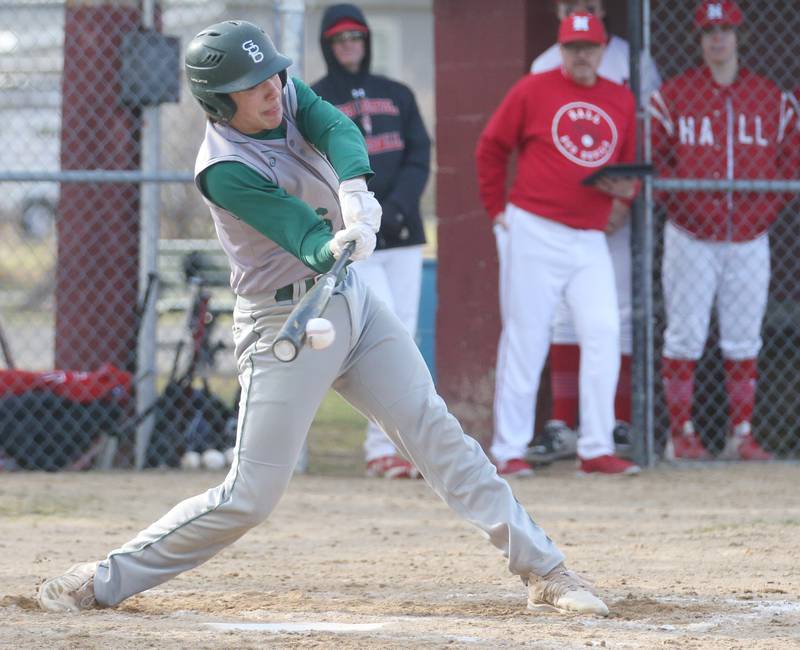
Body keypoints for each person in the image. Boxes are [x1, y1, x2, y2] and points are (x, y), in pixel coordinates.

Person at [36, 19, 610, 617]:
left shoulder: (281, 94)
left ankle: (546, 570)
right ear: (216, 102)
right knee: (250, 497)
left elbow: (334, 126)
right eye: (251, 85)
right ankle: (103, 579)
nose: (272, 89)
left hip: (351, 305)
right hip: (284, 321)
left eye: (272, 75)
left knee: (436, 432)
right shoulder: (223, 168)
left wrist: (356, 190)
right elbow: (297, 230)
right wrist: (334, 243)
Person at [477, 12, 641, 477]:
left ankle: (596, 447)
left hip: (589, 235)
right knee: (526, 337)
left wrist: (625, 196)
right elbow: (491, 147)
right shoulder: (533, 88)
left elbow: (628, 165)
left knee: (604, 331)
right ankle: (508, 448)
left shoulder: (620, 98)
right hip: (535, 227)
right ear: (561, 49)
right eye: (574, 47)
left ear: (604, 49)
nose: (582, 56)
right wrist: (497, 212)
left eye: (590, 47)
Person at [649, 0, 798, 460]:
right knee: (685, 335)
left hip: (750, 237)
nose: (718, 39)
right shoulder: (674, 94)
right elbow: (658, 163)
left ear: (739, 36)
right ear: (699, 39)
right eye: (709, 31)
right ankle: (681, 436)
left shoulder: (769, 97)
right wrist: (691, 212)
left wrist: (760, 215)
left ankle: (742, 434)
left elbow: (790, 163)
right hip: (690, 237)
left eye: (726, 31)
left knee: (743, 335)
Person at [524, 0, 661, 464]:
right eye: (571, 3)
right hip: (561, 214)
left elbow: (649, 130)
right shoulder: (546, 62)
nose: (580, 9)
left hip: (617, 209)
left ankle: (616, 422)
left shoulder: (632, 58)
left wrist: (623, 199)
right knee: (564, 313)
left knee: (614, 313)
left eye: (589, 3)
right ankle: (564, 422)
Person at [311, 3, 431, 480]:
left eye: (356, 38)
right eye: (340, 40)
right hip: (356, 238)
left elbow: (419, 156)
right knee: (377, 335)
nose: (349, 47)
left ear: (367, 41)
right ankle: (380, 446)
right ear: (327, 45)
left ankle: (410, 444)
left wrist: (397, 208)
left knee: (409, 333)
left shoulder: (397, 94)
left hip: (402, 233)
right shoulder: (315, 98)